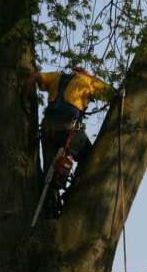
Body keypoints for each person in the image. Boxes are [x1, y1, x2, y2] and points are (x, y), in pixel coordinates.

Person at [25, 67, 113, 213]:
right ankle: (72, 193)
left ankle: (50, 208)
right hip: (67, 129)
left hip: (47, 130)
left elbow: (36, 76)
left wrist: (25, 99)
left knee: (50, 172)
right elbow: (110, 94)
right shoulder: (89, 81)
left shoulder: (57, 76)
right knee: (89, 158)